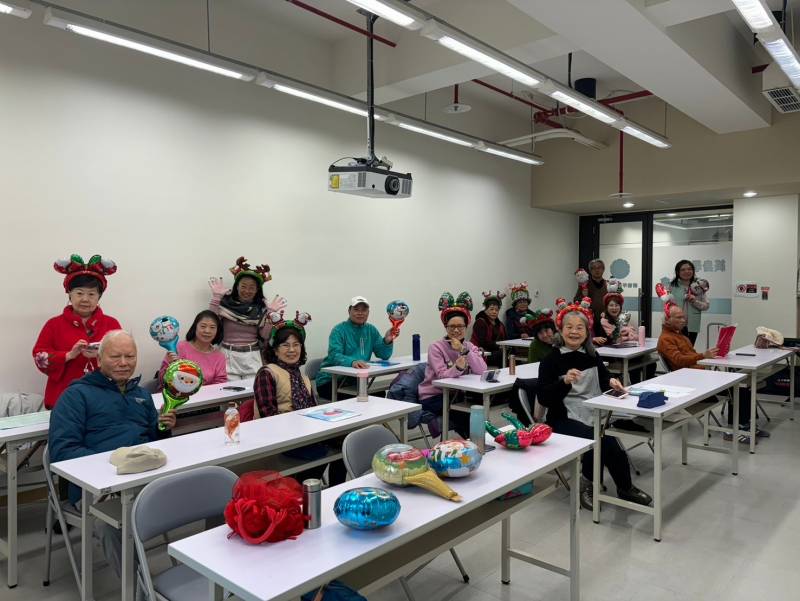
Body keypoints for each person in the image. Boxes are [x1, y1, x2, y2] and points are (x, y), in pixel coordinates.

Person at [48, 330, 177, 577]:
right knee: (110, 524)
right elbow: (62, 452)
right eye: (115, 356)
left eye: (130, 356)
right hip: (94, 488)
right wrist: (115, 466)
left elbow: (154, 444)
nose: (123, 363)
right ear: (99, 359)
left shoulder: (141, 395)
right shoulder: (76, 395)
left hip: (141, 478)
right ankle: (139, 589)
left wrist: (163, 428)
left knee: (196, 495)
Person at [538, 299, 652, 510]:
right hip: (562, 418)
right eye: (569, 327)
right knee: (596, 439)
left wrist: (612, 382)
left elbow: (604, 378)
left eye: (579, 328)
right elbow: (544, 398)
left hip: (592, 412)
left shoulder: (591, 355)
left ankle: (625, 488)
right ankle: (587, 485)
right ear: (560, 330)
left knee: (612, 444)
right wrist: (564, 382)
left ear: (587, 332)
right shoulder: (550, 360)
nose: (574, 332)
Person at [240, 311, 347, 485]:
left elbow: (314, 410)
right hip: (279, 438)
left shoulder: (302, 376)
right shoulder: (267, 373)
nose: (292, 350)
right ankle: (302, 488)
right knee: (324, 451)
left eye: (296, 345)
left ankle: (335, 490)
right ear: (275, 349)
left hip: (305, 434)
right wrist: (300, 427)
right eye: (285, 345)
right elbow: (268, 418)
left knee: (345, 442)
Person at [657, 304, 764, 442]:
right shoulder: (665, 339)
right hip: (689, 381)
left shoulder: (680, 336)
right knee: (740, 387)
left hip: (698, 375)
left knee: (743, 383)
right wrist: (703, 356)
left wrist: (708, 357)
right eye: (679, 317)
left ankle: (746, 425)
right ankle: (738, 429)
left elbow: (692, 357)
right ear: (667, 320)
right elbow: (679, 360)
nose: (683, 320)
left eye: (683, 317)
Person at [33, 253, 122, 409]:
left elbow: (124, 357)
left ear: (99, 296)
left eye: (91, 294)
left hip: (104, 397)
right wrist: (68, 355)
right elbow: (39, 356)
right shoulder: (53, 324)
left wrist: (102, 356)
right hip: (63, 398)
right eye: (79, 293)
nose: (85, 299)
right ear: (69, 294)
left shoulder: (111, 323)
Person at [418, 292, 487, 438]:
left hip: (458, 393)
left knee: (479, 407)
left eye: (460, 326)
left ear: (466, 327)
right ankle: (475, 442)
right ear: (446, 327)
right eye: (452, 327)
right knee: (463, 413)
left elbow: (482, 370)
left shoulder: (469, 346)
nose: (456, 330)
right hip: (434, 396)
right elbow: (441, 376)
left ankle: (479, 440)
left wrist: (463, 350)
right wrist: (458, 368)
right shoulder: (436, 347)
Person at [208, 256, 286, 380]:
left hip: (252, 356)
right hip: (227, 354)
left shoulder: (262, 308)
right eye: (243, 286)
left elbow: (265, 335)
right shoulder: (226, 303)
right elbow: (211, 322)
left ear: (257, 290)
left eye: (252, 287)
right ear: (237, 286)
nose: (247, 290)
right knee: (228, 390)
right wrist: (216, 298)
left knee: (253, 390)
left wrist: (270, 314)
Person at [315, 296, 397, 400]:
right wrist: (352, 362)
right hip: (330, 382)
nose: (360, 313)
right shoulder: (339, 330)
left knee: (379, 394)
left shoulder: (371, 330)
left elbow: (384, 355)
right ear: (349, 311)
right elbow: (334, 355)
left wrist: (387, 341)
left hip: (356, 381)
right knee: (362, 399)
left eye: (364, 310)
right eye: (356, 309)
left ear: (368, 313)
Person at [158, 310, 227, 387]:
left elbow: (220, 384)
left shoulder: (219, 357)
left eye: (212, 327)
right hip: (175, 393)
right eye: (203, 326)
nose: (207, 331)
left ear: (217, 331)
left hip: (206, 394)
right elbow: (161, 380)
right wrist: (169, 366)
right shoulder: (179, 347)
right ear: (195, 327)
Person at [667, 260, 709, 344]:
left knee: (689, 348)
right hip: (676, 324)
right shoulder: (672, 286)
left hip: (692, 325)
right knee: (677, 348)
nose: (687, 271)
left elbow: (706, 306)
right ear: (678, 272)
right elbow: (666, 306)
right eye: (683, 270)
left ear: (693, 271)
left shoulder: (699, 286)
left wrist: (695, 301)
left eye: (689, 269)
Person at [470, 291, 507, 367]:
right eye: (491, 309)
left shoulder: (500, 324)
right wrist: (499, 346)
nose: (494, 312)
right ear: (485, 310)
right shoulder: (480, 322)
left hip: (495, 351)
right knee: (502, 356)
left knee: (510, 353)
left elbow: (505, 339)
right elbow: (483, 343)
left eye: (496, 310)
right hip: (481, 353)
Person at [574, 259, 608, 341]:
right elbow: (576, 301)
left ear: (603, 269)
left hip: (606, 320)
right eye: (593, 268)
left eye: (599, 267)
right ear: (590, 271)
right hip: (590, 321)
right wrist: (583, 295)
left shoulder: (608, 284)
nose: (597, 270)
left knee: (606, 343)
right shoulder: (584, 285)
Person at [599, 280, 637, 346]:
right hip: (609, 349)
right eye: (611, 305)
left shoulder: (622, 317)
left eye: (616, 305)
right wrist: (626, 332)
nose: (614, 308)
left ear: (620, 307)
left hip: (624, 347)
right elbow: (615, 338)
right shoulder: (604, 320)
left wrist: (628, 332)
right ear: (606, 307)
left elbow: (634, 333)